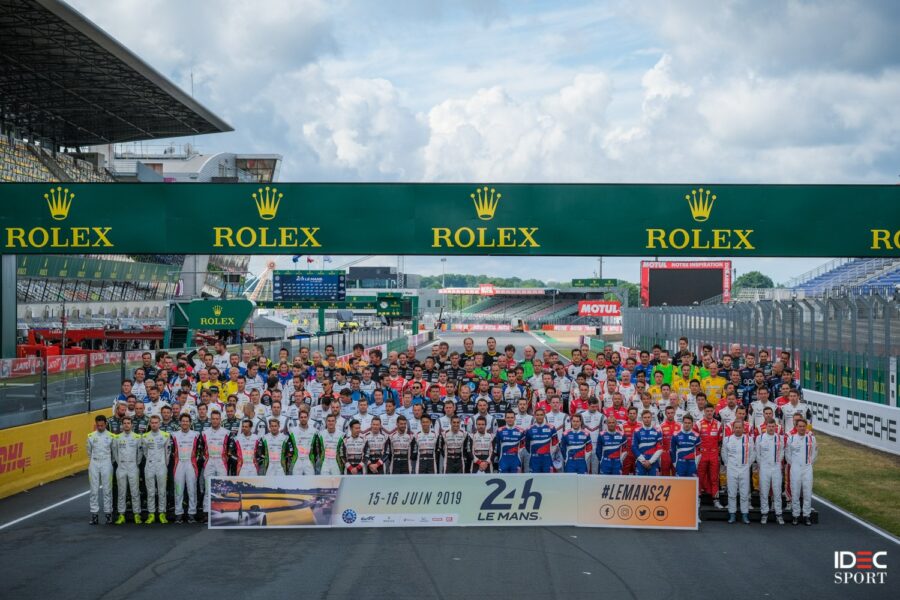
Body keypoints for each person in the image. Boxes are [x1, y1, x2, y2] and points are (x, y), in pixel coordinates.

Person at [721, 419, 755, 524]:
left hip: (744, 468)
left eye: (740, 427)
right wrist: (728, 464)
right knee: (732, 492)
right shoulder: (727, 439)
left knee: (744, 493)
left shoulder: (749, 439)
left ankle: (745, 514)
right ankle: (732, 514)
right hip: (731, 468)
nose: (738, 429)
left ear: (743, 429)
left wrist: (747, 464)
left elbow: (753, 454)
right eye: (736, 427)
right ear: (733, 428)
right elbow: (724, 452)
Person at [786, 418, 817, 526]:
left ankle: (807, 515)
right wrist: (794, 464)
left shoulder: (811, 439)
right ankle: (795, 515)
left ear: (806, 427)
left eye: (804, 426)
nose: (802, 428)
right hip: (795, 468)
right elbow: (787, 454)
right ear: (796, 427)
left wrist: (808, 463)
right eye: (800, 426)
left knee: (807, 493)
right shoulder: (791, 438)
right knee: (795, 492)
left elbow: (814, 454)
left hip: (807, 468)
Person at [112, 416, 143, 524]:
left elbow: (140, 454)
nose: (126, 425)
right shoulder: (117, 438)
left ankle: (137, 514)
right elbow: (115, 453)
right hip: (121, 467)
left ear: (132, 425)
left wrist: (135, 463)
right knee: (121, 492)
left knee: (135, 492)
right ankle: (121, 515)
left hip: (133, 467)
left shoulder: (137, 437)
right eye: (124, 423)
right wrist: (120, 463)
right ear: (122, 425)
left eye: (128, 423)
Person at [172, 414, 202, 523]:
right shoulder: (174, 435)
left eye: (187, 421)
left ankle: (191, 514)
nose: (185, 423)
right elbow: (171, 450)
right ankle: (178, 514)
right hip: (179, 464)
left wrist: (196, 459)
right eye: (183, 421)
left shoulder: (196, 434)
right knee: (178, 489)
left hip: (191, 464)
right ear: (180, 422)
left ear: (190, 423)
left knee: (192, 489)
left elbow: (200, 449)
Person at [142, 416, 171, 525]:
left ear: (159, 423)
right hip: (149, 465)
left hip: (161, 465)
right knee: (150, 491)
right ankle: (151, 514)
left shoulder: (165, 435)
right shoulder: (144, 436)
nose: (154, 424)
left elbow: (167, 453)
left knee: (162, 491)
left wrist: (164, 465)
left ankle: (162, 513)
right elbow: (144, 452)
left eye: (156, 422)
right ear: (149, 423)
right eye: (152, 422)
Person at [756, 420, 786, 525]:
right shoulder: (759, 438)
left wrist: (778, 461)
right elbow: (757, 453)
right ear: (766, 427)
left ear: (775, 427)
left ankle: (778, 514)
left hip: (776, 467)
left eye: (773, 426)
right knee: (764, 491)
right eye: (769, 426)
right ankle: (764, 513)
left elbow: (782, 451)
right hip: (764, 467)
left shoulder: (780, 438)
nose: (771, 428)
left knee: (777, 492)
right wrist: (762, 464)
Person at [87, 415, 116, 525]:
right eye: (98, 425)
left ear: (106, 424)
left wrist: (109, 462)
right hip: (94, 463)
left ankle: (108, 514)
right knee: (93, 490)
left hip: (106, 462)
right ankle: (94, 515)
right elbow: (89, 452)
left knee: (107, 489)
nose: (100, 427)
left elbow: (114, 453)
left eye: (102, 425)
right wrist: (92, 462)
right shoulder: (90, 436)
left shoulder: (112, 436)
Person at [202, 410, 230, 516]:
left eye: (217, 419)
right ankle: (207, 512)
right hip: (209, 461)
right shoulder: (204, 433)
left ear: (220, 420)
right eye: (213, 419)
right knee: (208, 487)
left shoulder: (226, 432)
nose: (215, 421)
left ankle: (222, 512)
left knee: (222, 488)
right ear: (210, 420)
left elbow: (230, 450)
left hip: (221, 462)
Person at [696, 405, 724, 509]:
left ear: (714, 412)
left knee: (714, 478)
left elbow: (720, 442)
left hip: (713, 454)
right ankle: (697, 499)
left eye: (711, 411)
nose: (709, 413)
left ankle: (716, 499)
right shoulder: (698, 424)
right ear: (704, 411)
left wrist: (718, 455)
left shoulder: (719, 424)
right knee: (699, 477)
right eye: (707, 411)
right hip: (702, 455)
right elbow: (695, 442)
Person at [289, 409, 322, 476]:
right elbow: (289, 446)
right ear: (298, 418)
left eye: (305, 417)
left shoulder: (314, 431)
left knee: (310, 482)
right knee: (296, 482)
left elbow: (317, 448)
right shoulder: (292, 431)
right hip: (297, 460)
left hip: (309, 460)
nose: (303, 419)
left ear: (308, 418)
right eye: (301, 417)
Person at [525, 409, 558, 474]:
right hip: (534, 459)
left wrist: (550, 453)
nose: (539, 417)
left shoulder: (551, 428)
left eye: (541, 415)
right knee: (535, 480)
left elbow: (555, 444)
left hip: (547, 459)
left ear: (544, 416)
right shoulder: (529, 429)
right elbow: (527, 445)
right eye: (537, 415)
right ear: (534, 416)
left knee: (547, 479)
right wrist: (533, 453)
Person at [632, 410, 663, 476]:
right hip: (641, 462)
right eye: (645, 417)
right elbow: (634, 448)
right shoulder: (637, 431)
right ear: (642, 418)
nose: (647, 419)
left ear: (651, 418)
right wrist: (644, 461)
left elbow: (660, 449)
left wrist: (650, 461)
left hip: (654, 462)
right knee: (640, 484)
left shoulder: (657, 430)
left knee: (654, 483)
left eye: (648, 417)